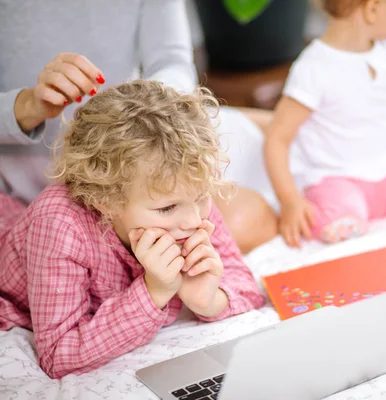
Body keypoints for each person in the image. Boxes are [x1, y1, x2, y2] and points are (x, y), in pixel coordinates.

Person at [0, 80, 266, 379]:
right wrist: (153, 292)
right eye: (166, 208)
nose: (194, 221)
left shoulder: (185, 196)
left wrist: (208, 300)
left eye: (203, 197)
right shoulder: (59, 224)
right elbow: (58, 355)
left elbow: (242, 279)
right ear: (104, 201)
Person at [0, 0, 277, 254]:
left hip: (142, 150)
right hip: (26, 174)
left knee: (256, 209)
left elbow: (173, 62)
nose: (195, 222)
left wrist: (139, 114)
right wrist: (25, 106)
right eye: (168, 208)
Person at [263, 0, 386, 247]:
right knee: (336, 221)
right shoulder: (314, 68)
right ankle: (342, 210)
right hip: (337, 178)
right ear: (371, 9)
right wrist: (290, 201)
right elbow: (277, 138)